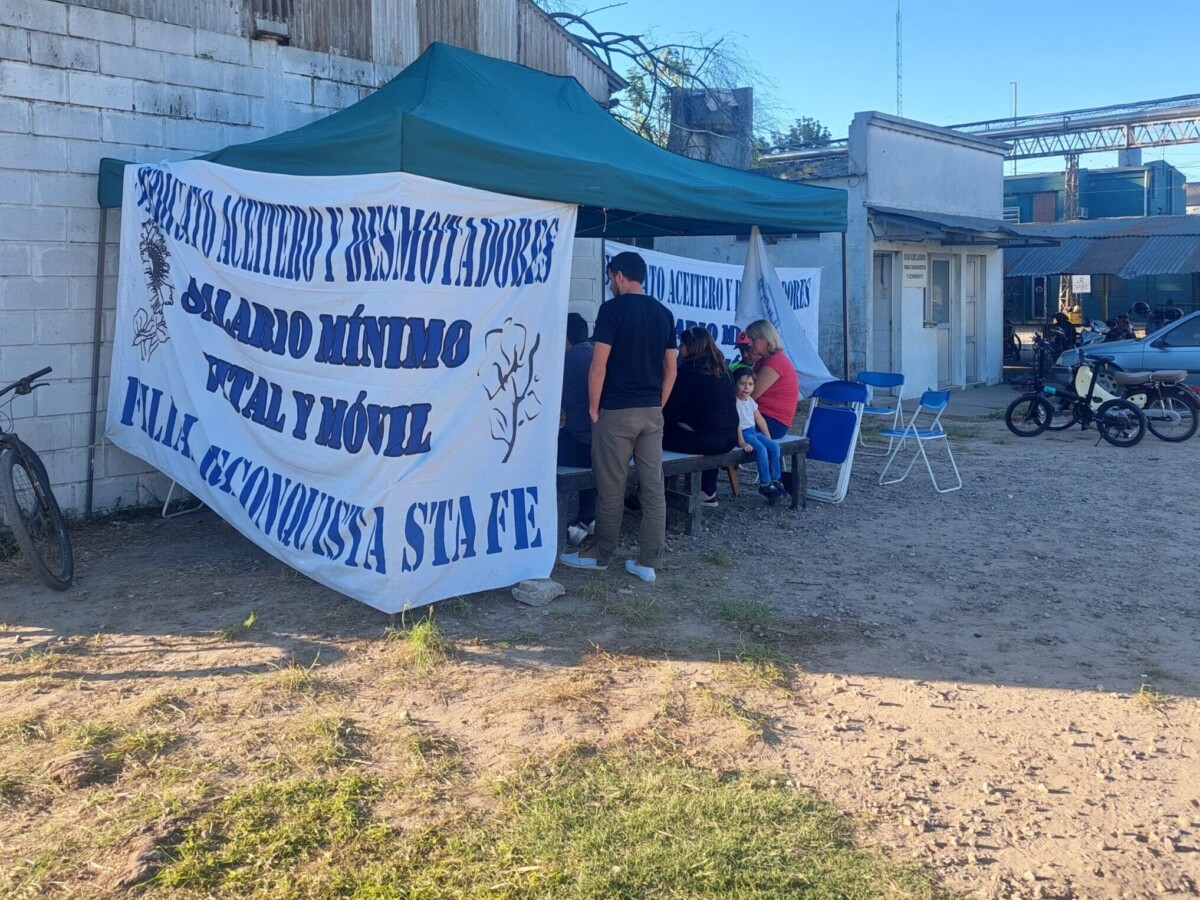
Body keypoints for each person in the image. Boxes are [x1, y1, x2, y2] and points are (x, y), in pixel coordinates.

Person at [559, 251, 677, 583]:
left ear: (620, 276)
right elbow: (671, 370)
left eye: (611, 277)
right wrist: (658, 404)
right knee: (653, 487)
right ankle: (649, 560)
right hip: (651, 412)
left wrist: (594, 408)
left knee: (611, 485)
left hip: (615, 411)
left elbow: (599, 367)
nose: (611, 283)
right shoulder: (664, 313)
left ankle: (600, 554)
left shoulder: (612, 310)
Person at [662, 326, 739, 508]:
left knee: (652, 437)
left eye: (681, 345)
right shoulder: (724, 369)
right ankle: (708, 490)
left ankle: (651, 494)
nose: (678, 350)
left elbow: (670, 410)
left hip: (707, 440)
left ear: (691, 348)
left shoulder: (688, 372)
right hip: (729, 438)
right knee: (706, 430)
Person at [558, 312, 595, 545]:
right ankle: (588, 515)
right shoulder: (595, 354)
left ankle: (550, 518)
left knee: (537, 450)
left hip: (582, 445)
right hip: (604, 443)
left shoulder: (567, 362)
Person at [734, 370, 788, 503]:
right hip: (743, 434)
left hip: (753, 431)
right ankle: (765, 484)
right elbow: (736, 425)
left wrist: (768, 437)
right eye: (742, 383)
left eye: (750, 384)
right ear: (735, 384)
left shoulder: (750, 401)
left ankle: (775, 479)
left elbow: (760, 420)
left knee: (774, 446)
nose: (747, 387)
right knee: (761, 450)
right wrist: (741, 443)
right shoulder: (734, 402)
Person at [744, 319, 799, 439]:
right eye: (749, 339)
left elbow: (749, 394)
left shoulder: (776, 361)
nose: (749, 343)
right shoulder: (763, 360)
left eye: (753, 339)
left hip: (773, 422)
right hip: (763, 416)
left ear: (766, 339)